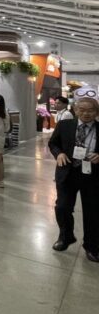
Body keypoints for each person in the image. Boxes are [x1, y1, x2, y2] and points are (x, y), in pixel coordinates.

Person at [48, 97, 99, 262]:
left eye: (90, 110)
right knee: (62, 207)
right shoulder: (65, 125)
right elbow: (53, 143)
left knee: (93, 212)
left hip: (92, 175)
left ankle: (91, 246)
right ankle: (66, 237)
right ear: (75, 110)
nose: (86, 113)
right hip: (67, 172)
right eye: (82, 110)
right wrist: (59, 154)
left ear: (96, 112)